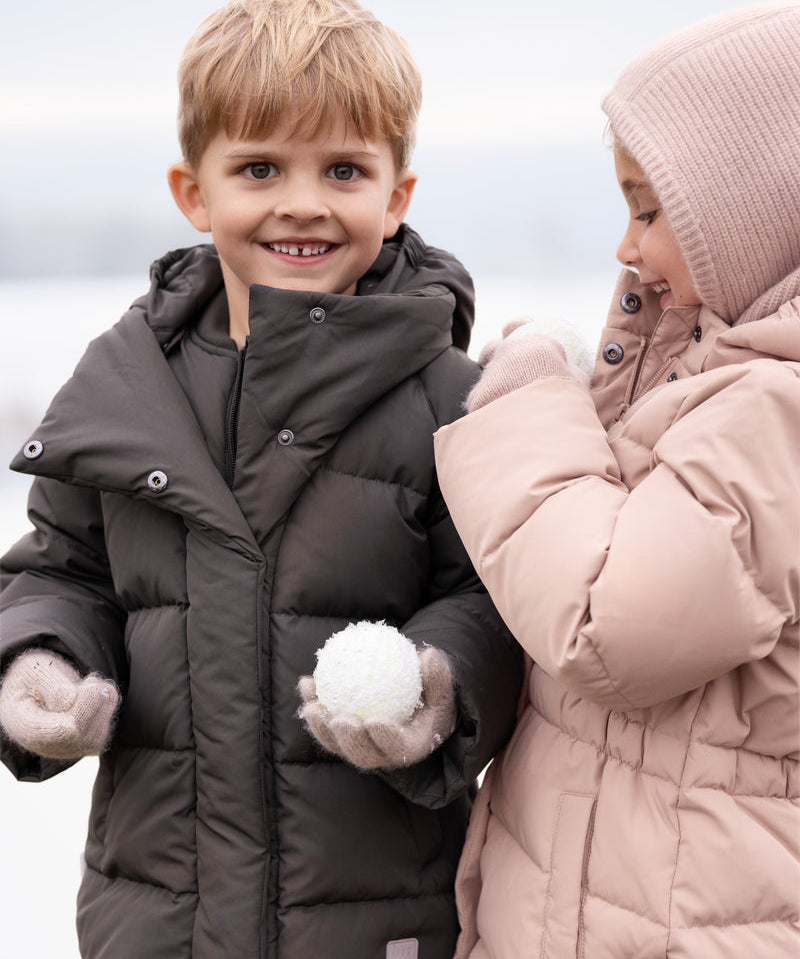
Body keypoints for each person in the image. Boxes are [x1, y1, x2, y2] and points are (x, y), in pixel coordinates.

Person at [0, 2, 522, 957]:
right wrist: (41, 660)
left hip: (377, 919)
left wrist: (439, 683)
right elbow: (60, 570)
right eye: (259, 169)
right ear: (193, 193)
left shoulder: (453, 398)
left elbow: (491, 594)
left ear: (397, 194)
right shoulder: (124, 388)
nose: (303, 201)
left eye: (345, 171)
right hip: (157, 919)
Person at [434, 3, 800, 956]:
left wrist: (525, 401)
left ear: (762, 212)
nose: (625, 247)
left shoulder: (778, 414)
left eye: (649, 210)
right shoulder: (715, 377)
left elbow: (610, 625)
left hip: (687, 916)